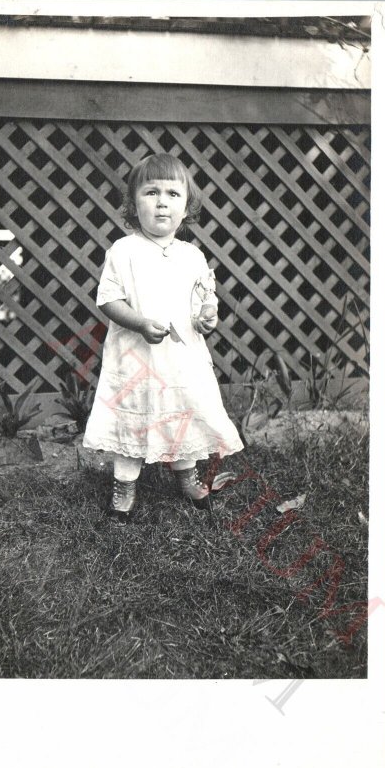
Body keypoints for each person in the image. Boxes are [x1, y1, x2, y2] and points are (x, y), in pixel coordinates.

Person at [83, 153, 244, 519]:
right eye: (151, 192)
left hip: (182, 359)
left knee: (182, 412)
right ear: (132, 203)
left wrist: (207, 319)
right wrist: (139, 322)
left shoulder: (193, 256)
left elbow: (205, 303)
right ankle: (124, 484)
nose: (161, 202)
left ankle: (186, 475)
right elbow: (108, 299)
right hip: (135, 357)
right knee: (132, 414)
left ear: (186, 207)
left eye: (172, 194)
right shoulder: (123, 251)